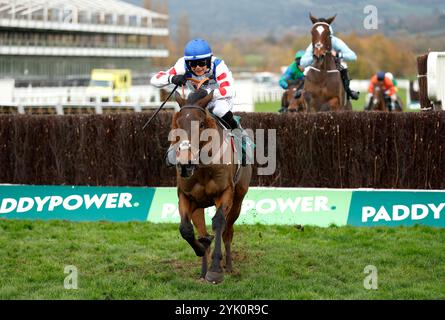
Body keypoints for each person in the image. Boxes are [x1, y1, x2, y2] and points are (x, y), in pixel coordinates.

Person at [150, 38, 249, 166]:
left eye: (202, 63)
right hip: (196, 100)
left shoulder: (219, 66)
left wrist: (208, 94)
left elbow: (229, 90)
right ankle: (173, 148)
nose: (197, 67)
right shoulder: (181, 64)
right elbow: (154, 80)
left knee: (219, 110)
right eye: (193, 64)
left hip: (220, 98)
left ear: (209, 60)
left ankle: (241, 138)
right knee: (185, 117)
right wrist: (172, 78)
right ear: (187, 62)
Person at [300, 24, 360, 100]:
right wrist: (314, 56)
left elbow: (353, 56)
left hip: (334, 64)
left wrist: (338, 54)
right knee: (306, 70)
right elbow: (302, 63)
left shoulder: (336, 41)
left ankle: (348, 91)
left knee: (344, 66)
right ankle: (302, 90)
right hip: (317, 65)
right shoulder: (314, 43)